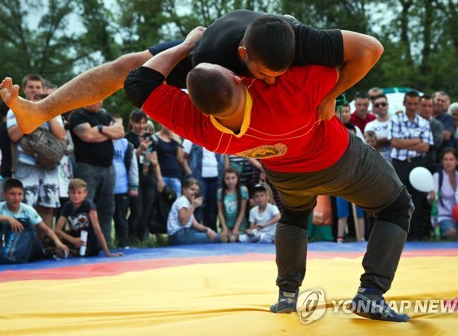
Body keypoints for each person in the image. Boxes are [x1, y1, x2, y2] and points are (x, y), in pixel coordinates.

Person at [123, 26, 412, 322]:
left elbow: (138, 82)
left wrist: (185, 46)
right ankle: (371, 293)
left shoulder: (201, 129)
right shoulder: (288, 89)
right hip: (340, 161)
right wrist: (331, 93)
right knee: (396, 207)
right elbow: (360, 54)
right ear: (239, 77)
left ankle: (287, 296)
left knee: (294, 217)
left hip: (286, 175)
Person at [0, 10, 383, 135]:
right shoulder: (211, 58)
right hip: (202, 45)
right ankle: (41, 110)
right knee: (127, 65)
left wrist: (332, 94)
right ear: (242, 56)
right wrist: (186, 45)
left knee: (325, 71)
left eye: (274, 76)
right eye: (263, 75)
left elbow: (371, 49)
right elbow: (197, 99)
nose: (268, 81)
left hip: (268, 35)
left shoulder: (304, 41)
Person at [7, 74, 66, 229]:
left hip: (49, 166)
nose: (35, 90)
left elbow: (61, 135)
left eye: (38, 87)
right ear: (24, 89)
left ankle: (44, 247)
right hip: (26, 165)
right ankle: (27, 248)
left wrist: (46, 111)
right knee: (27, 206)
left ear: (43, 89)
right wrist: (29, 115)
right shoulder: (15, 107)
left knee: (47, 207)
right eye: (31, 87)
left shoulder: (53, 109)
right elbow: (13, 136)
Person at [67, 100, 124, 245]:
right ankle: (85, 246)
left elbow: (120, 132)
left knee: (107, 209)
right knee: (84, 208)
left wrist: (99, 128)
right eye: (94, 97)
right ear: (87, 97)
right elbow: (88, 136)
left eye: (100, 97)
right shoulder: (77, 116)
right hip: (87, 168)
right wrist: (109, 133)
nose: (98, 101)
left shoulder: (104, 115)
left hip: (108, 168)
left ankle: (105, 244)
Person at [0, 178, 68, 260]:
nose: (16, 198)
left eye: (19, 194)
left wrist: (58, 242)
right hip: (4, 242)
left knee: (38, 251)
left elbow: (45, 228)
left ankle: (44, 251)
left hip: (21, 241)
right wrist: (8, 218)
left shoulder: (28, 209)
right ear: (4, 194)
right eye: (12, 194)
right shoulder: (0, 207)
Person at [389, 91, 433, 240]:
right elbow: (394, 143)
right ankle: (400, 235)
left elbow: (425, 147)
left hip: (418, 165)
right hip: (400, 165)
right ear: (404, 103)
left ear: (418, 104)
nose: (412, 106)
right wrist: (415, 140)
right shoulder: (396, 119)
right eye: (409, 103)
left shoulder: (424, 122)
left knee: (418, 201)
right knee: (400, 200)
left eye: (415, 103)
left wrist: (405, 143)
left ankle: (416, 234)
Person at [54, 178, 124, 257]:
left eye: (79, 193)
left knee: (63, 252)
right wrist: (72, 240)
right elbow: (57, 230)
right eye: (73, 193)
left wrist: (107, 253)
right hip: (74, 240)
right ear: (68, 194)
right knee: (50, 239)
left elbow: (97, 228)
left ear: (85, 193)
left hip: (88, 244)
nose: (76, 196)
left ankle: (64, 252)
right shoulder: (67, 206)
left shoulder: (88, 205)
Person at [126, 109, 163, 242]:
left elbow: (155, 160)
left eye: (143, 123)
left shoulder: (150, 138)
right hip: (135, 178)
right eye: (138, 123)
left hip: (150, 176)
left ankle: (141, 237)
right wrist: (139, 150)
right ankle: (129, 237)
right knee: (137, 210)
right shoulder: (127, 138)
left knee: (148, 209)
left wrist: (159, 179)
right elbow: (128, 159)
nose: (141, 126)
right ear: (132, 122)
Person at [110, 113, 139, 248]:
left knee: (121, 219)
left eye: (121, 125)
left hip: (122, 187)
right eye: (116, 125)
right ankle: (106, 243)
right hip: (107, 188)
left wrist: (134, 186)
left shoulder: (126, 144)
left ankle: (123, 244)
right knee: (105, 217)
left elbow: (133, 166)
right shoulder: (103, 140)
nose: (119, 128)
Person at [183, 139, 224, 231]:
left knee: (212, 206)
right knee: (198, 205)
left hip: (215, 176)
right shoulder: (190, 136)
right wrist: (189, 173)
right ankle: (195, 232)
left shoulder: (216, 136)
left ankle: (212, 232)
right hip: (198, 177)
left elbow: (223, 156)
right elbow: (184, 158)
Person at [167, 177, 220, 245]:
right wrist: (193, 206)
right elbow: (183, 222)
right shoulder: (183, 200)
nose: (195, 192)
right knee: (219, 237)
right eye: (192, 189)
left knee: (211, 234)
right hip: (178, 235)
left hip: (183, 234)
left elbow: (195, 224)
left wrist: (207, 229)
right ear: (184, 190)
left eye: (197, 190)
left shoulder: (188, 203)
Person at [427, 148, 458, 240]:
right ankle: (436, 232)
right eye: (445, 159)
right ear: (442, 162)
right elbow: (431, 200)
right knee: (452, 233)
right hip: (443, 216)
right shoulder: (437, 176)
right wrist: (432, 197)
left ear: (457, 161)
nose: (448, 162)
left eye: (451, 159)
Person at [217, 167, 249, 242]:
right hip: (227, 225)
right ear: (224, 180)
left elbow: (242, 211)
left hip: (239, 226)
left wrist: (236, 228)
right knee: (223, 239)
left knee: (232, 239)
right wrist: (224, 228)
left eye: (233, 178)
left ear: (237, 178)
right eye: (227, 178)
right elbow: (220, 212)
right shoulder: (220, 192)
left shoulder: (243, 190)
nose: (230, 181)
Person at [365, 94, 392, 161]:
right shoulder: (369, 125)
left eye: (383, 104)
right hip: (377, 162)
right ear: (373, 108)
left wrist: (378, 141)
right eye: (377, 105)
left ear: (388, 105)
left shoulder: (396, 122)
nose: (380, 107)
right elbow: (368, 145)